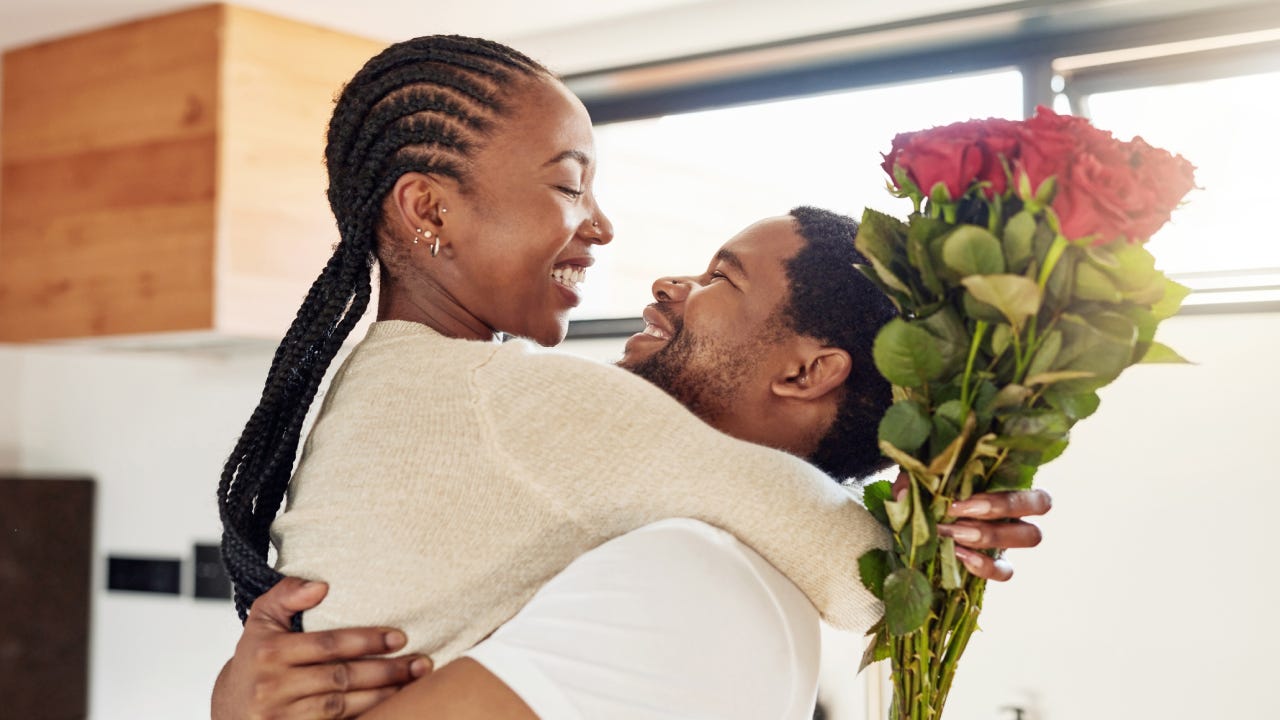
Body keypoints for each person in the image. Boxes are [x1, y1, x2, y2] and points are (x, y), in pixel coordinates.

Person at [213, 208, 1051, 719]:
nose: (667, 284)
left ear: (803, 372)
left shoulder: (692, 574)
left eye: (720, 277)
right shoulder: (681, 553)